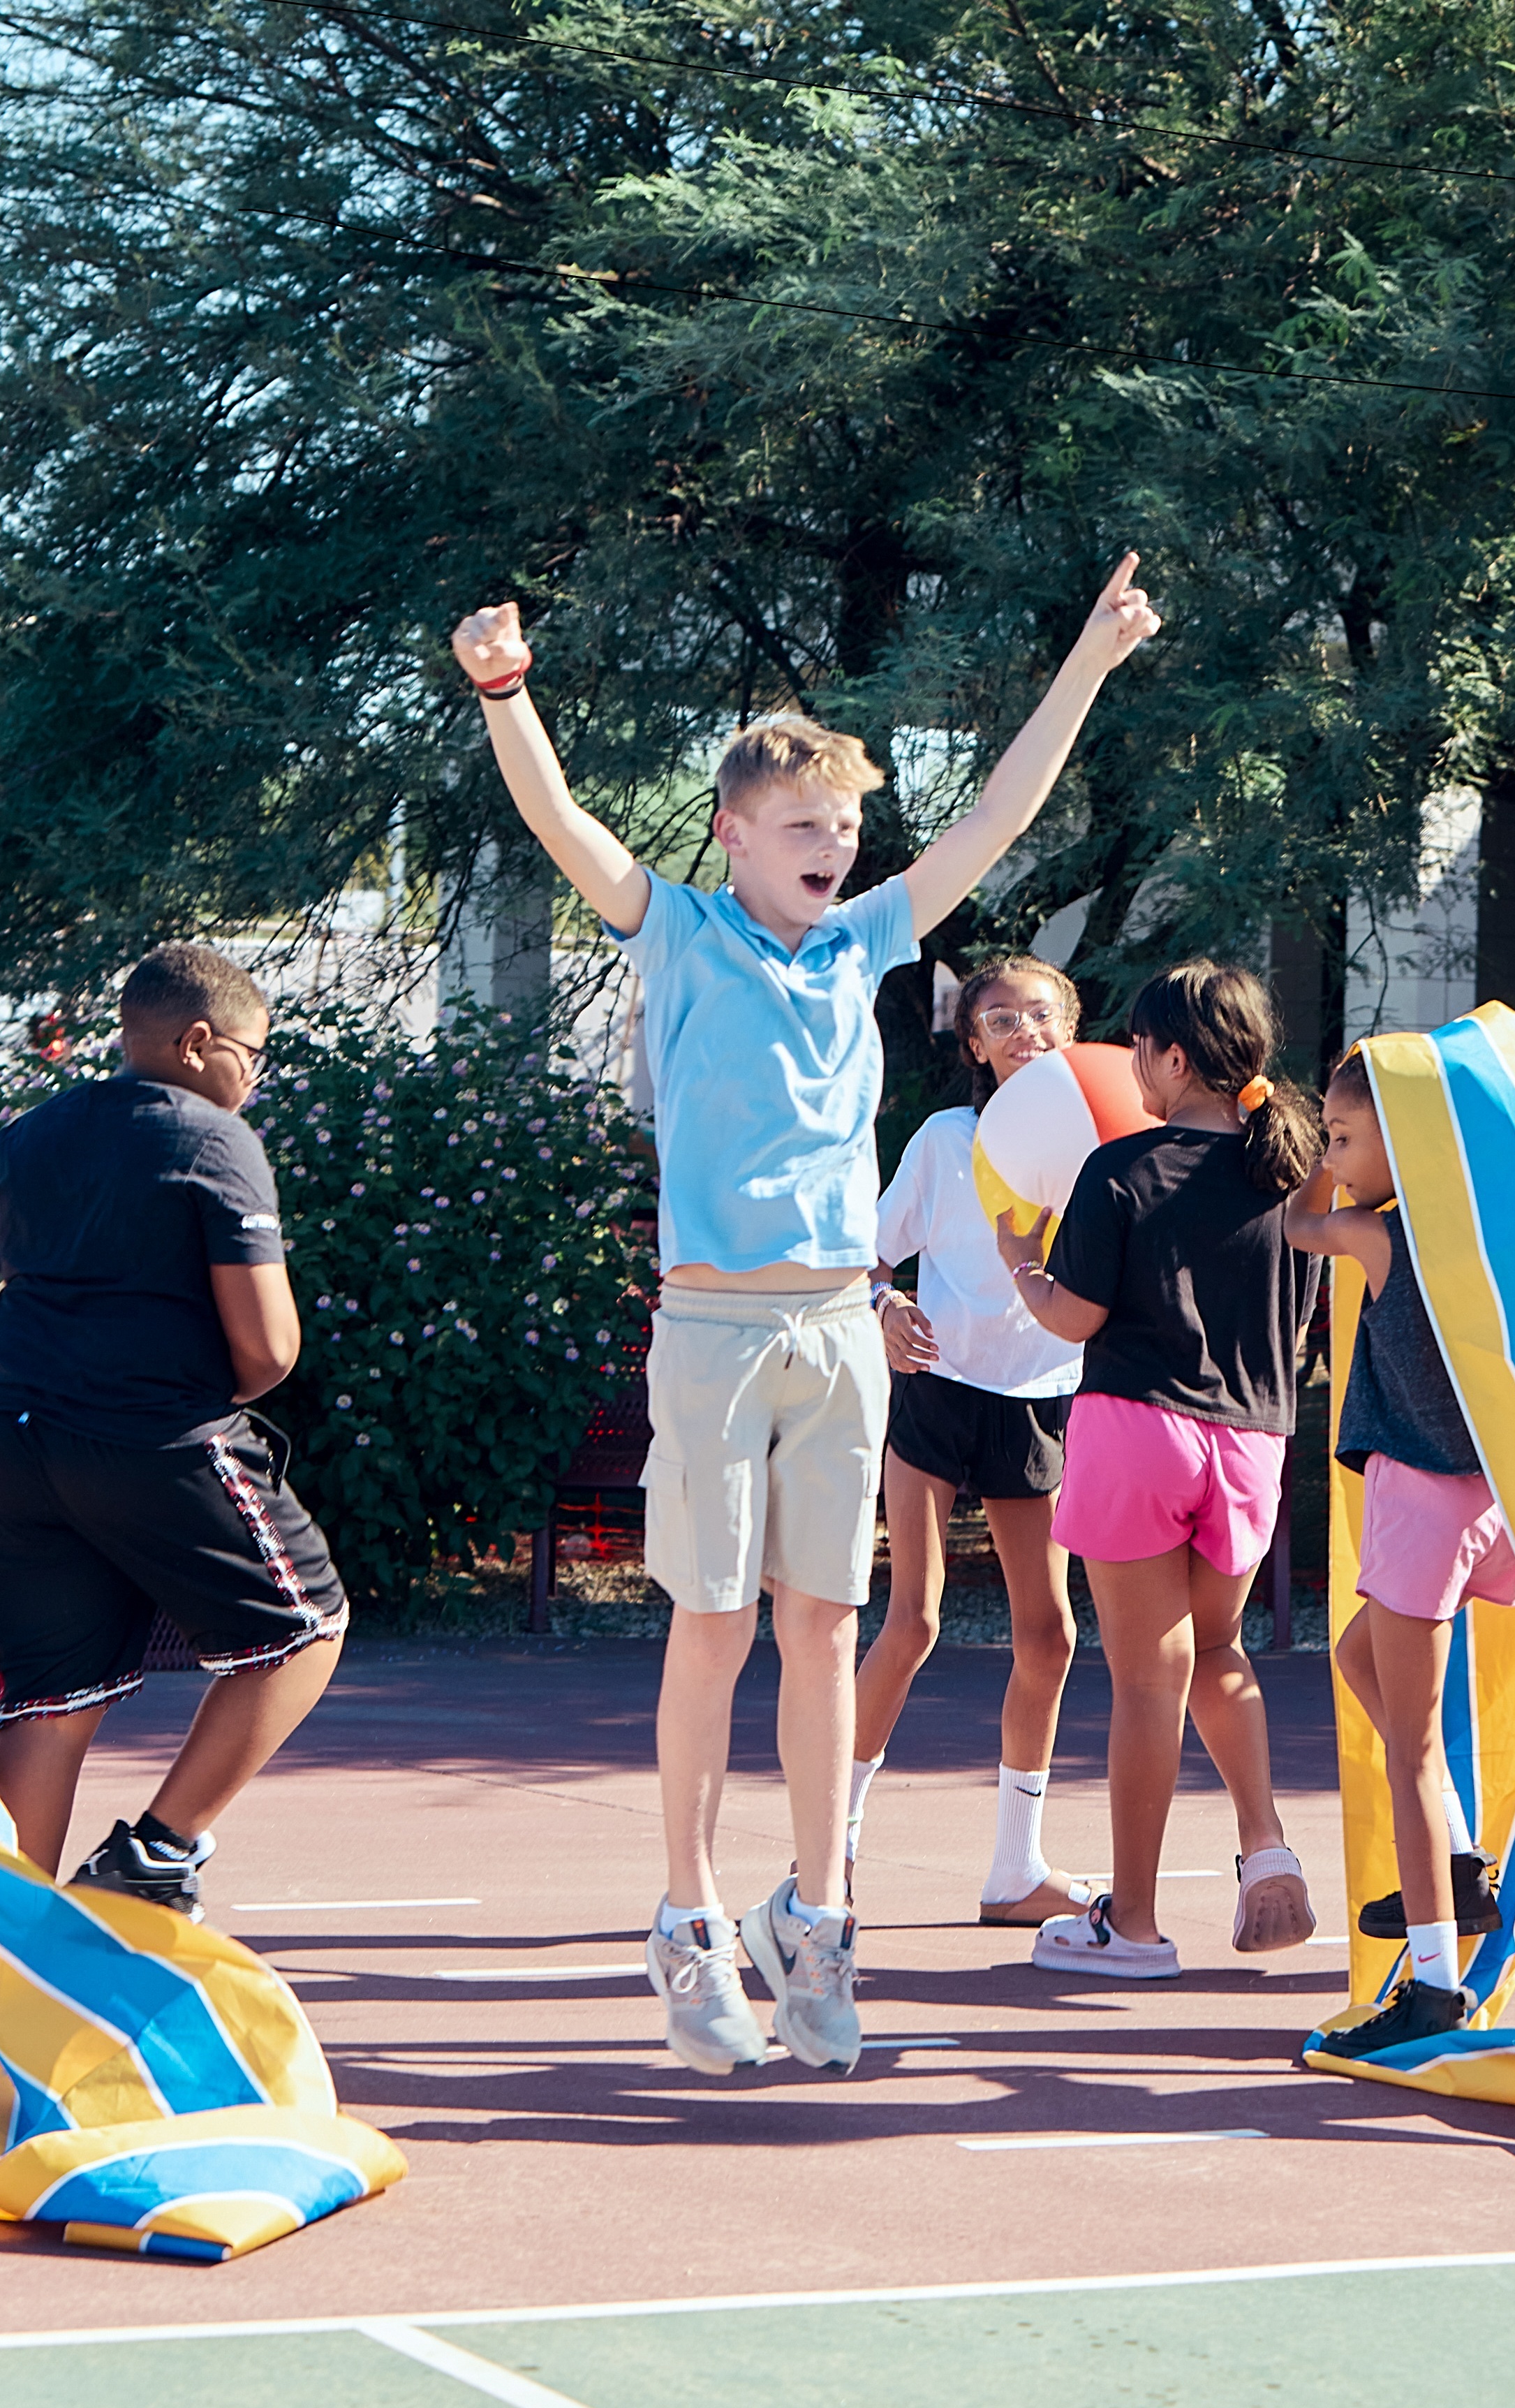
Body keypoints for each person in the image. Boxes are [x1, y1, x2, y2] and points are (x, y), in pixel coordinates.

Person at [453, 557, 1161, 2076]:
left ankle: (821, 1918)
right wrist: (509, 695)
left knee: (827, 1625)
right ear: (734, 835)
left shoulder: (870, 941)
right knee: (710, 1627)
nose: (831, 848)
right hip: (714, 1330)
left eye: (842, 829)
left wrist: (1089, 661)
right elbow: (562, 824)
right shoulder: (680, 930)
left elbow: (999, 818)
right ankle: (690, 1918)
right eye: (802, 829)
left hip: (844, 1325)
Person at [0, 943, 348, 1916]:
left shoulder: (32, 1132)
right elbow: (272, 1348)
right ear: (197, 1043)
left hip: (17, 1442)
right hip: (154, 1430)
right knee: (304, 1627)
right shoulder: (213, 1138)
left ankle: (5, 1960)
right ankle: (157, 1849)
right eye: (252, 1053)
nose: (255, 1075)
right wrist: (174, 1388)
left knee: (47, 1705)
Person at [995, 959, 1322, 1978]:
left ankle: (1130, 1923)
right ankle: (1263, 1842)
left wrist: (1022, 1262)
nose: (1128, 1062)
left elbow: (1074, 1316)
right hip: (1254, 1439)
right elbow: (1303, 1322)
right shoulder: (1293, 1176)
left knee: (1145, 1679)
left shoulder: (1122, 1170)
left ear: (1174, 1057)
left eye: (1138, 1045)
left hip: (1139, 1426)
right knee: (1218, 1654)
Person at [1285, 1048, 1515, 2054]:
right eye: (1327, 1142)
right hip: (1488, 1500)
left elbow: (1298, 1228)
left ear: (1405, 1141)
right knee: (1354, 1661)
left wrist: (1294, 1151)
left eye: (1343, 1140)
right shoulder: (1485, 1230)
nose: (1334, 1161)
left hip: (1419, 1498)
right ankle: (1460, 1862)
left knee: (1413, 1751)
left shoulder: (1380, 1236)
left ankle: (1433, 1981)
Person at [855, 955, 1090, 1925]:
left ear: (1071, 1031)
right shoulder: (948, 1138)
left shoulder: (1106, 1146)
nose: (1021, 1030)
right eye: (999, 1019)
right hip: (938, 1388)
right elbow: (869, 1257)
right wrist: (883, 1305)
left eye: (1040, 1014)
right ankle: (827, 1852)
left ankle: (1013, 1870)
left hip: (1041, 1399)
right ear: (974, 1045)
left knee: (1050, 1635)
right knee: (911, 1621)